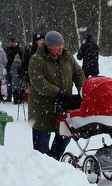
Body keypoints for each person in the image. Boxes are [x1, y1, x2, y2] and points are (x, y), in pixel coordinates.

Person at [27, 30, 86, 159]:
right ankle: (42, 168)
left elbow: (78, 73)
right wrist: (57, 92)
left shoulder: (67, 57)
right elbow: (38, 81)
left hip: (63, 107)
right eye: (58, 45)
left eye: (62, 44)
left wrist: (83, 88)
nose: (61, 48)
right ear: (49, 46)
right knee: (41, 150)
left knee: (64, 138)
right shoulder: (37, 59)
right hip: (42, 110)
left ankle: (54, 163)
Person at [3, 37, 23, 101]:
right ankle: (9, 97)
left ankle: (16, 97)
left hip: (15, 68)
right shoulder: (7, 49)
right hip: (9, 67)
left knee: (15, 84)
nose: (12, 43)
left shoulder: (18, 49)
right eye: (11, 42)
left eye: (13, 42)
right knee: (9, 83)